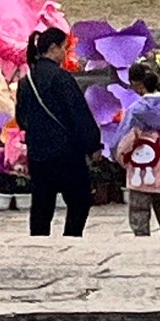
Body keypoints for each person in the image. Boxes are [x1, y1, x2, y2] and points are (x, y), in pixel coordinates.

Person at [15, 25, 102, 236]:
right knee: (79, 199)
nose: (65, 53)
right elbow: (78, 114)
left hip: (38, 154)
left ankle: (39, 242)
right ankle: (71, 237)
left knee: (42, 205)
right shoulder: (62, 78)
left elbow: (21, 119)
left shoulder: (27, 82)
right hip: (66, 153)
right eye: (64, 48)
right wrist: (92, 145)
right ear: (53, 48)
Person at [115, 68, 160, 236]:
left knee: (139, 213)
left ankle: (142, 244)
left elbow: (122, 142)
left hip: (139, 172)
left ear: (137, 84)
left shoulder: (136, 110)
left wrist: (122, 159)